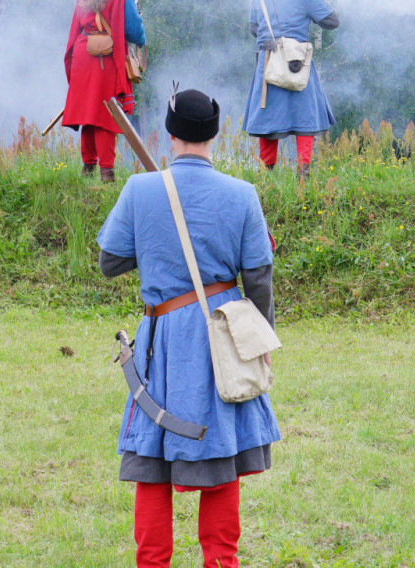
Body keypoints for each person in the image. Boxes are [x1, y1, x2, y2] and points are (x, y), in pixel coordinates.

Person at [98, 89, 281, 568]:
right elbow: (258, 278)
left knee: (152, 466)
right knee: (221, 457)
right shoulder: (242, 194)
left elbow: (110, 261)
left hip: (160, 341)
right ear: (215, 133)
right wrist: (259, 343)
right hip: (223, 337)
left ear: (170, 133)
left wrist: (153, 238)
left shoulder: (140, 190)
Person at [241, 0, 338, 178]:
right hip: (297, 62)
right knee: (306, 118)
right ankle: (303, 176)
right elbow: (331, 21)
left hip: (267, 60)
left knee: (268, 118)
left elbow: (254, 28)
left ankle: (267, 178)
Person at [61, 0, 145, 182]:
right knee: (107, 115)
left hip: (83, 55)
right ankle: (107, 172)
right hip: (106, 59)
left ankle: (88, 168)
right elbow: (135, 32)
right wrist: (142, 36)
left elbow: (86, 16)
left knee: (89, 113)